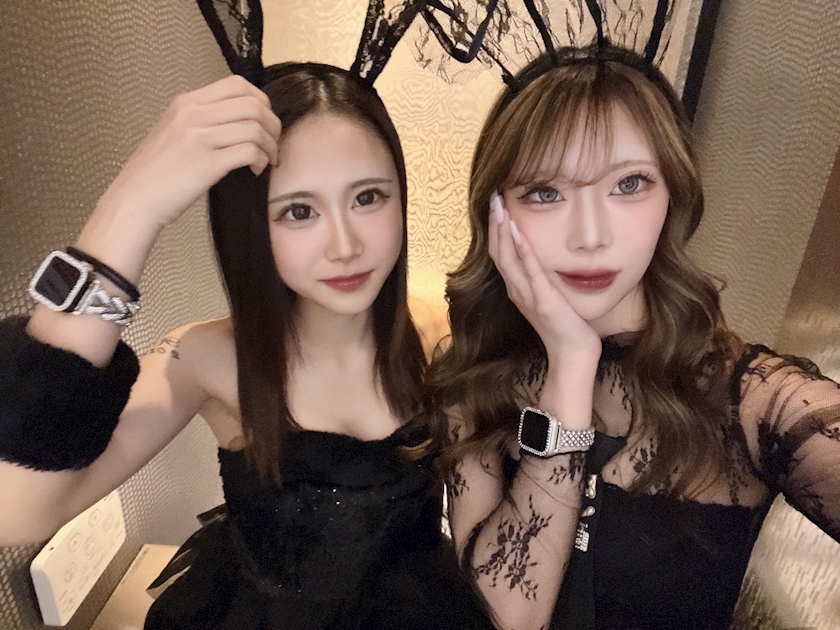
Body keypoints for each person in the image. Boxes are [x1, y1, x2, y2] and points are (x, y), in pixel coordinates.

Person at [0, 62, 493, 630]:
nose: (345, 245)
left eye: (368, 197)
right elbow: (18, 510)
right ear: (251, 226)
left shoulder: (438, 332)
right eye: (299, 211)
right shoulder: (205, 358)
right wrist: (130, 206)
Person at [427, 43, 840, 630]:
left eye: (629, 184)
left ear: (673, 193)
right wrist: (571, 362)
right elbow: (508, 616)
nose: (590, 235)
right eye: (545, 192)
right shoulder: (474, 378)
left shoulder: (756, 401)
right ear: (497, 213)